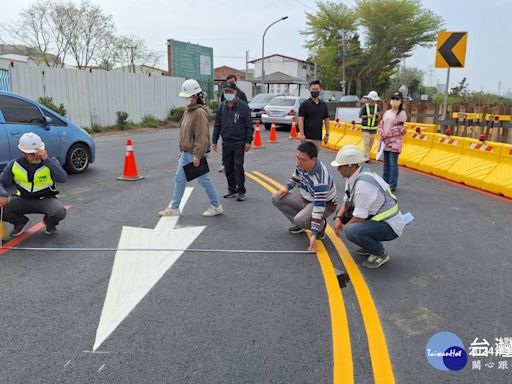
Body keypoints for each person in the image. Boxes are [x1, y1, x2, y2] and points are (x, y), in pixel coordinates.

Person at [331, 145, 405, 269]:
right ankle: (368, 244)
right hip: (376, 219)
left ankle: (380, 253)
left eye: (340, 166)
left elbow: (359, 218)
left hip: (390, 226)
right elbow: (346, 200)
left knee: (352, 231)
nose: (338, 169)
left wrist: (343, 228)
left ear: (351, 166)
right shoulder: (353, 176)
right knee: (343, 214)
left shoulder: (363, 184)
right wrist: (338, 218)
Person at [158, 79, 223, 217]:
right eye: (186, 96)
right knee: (179, 178)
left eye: (189, 96)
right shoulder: (188, 111)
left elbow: (202, 136)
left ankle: (216, 206)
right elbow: (185, 133)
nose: (186, 99)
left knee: (203, 180)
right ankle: (174, 207)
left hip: (195, 153)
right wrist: (182, 150)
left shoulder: (199, 112)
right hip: (186, 153)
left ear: (196, 96)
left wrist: (197, 155)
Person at [272, 141, 338, 252]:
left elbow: (319, 207)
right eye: (297, 158)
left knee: (300, 219)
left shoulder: (321, 178)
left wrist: (314, 234)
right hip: (306, 199)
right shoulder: (302, 165)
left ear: (314, 159)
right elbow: (296, 176)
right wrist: (287, 188)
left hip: (325, 205)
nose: (298, 162)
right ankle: (302, 223)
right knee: (276, 198)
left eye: (302, 160)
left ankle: (320, 226)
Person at [0, 132, 68, 236]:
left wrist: (47, 161)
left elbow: (63, 178)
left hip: (46, 200)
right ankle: (20, 222)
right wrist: (3, 194)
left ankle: (50, 223)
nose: (36, 156)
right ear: (22, 152)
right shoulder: (15, 164)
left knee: (59, 212)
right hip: (22, 199)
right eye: (31, 153)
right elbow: (1, 181)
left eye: (38, 152)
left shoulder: (51, 162)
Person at [212, 81, 253, 201]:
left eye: (231, 92)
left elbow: (249, 126)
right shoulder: (222, 106)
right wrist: (214, 140)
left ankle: (241, 190)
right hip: (227, 142)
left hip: (239, 142)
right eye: (226, 92)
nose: (228, 94)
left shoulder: (243, 107)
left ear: (236, 93)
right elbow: (217, 124)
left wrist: (248, 141)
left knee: (238, 166)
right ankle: (232, 189)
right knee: (228, 167)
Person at [377, 91, 407, 191]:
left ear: (401, 101)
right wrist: (381, 131)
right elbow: (382, 124)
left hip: (394, 142)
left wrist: (388, 134)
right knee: (386, 163)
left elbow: (400, 128)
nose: (394, 101)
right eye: (393, 98)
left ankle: (392, 184)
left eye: (397, 99)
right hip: (385, 141)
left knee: (393, 163)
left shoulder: (401, 113)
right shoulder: (387, 112)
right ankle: (385, 182)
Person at [219, 74, 248, 172]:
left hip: (238, 130)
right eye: (228, 82)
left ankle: (239, 182)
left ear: (236, 82)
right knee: (227, 151)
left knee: (238, 163)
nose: (230, 84)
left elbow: (245, 112)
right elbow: (222, 110)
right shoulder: (224, 95)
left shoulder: (242, 95)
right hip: (227, 130)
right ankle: (225, 164)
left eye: (232, 82)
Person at [298, 80, 330, 150]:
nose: (315, 91)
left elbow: (327, 120)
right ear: (310, 90)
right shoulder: (304, 105)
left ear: (320, 90)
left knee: (314, 158)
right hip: (307, 138)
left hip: (318, 138)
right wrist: (302, 134)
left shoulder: (323, 105)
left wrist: (327, 134)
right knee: (306, 158)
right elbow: (300, 120)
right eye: (313, 89)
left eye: (317, 89)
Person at [359, 90, 382, 162]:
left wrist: (378, 116)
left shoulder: (377, 107)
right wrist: (368, 116)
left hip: (373, 129)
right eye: (372, 99)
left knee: (370, 144)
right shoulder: (364, 107)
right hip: (365, 128)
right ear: (369, 99)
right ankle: (366, 158)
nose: (373, 101)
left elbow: (380, 117)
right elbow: (360, 116)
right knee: (366, 143)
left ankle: (365, 155)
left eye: (375, 100)